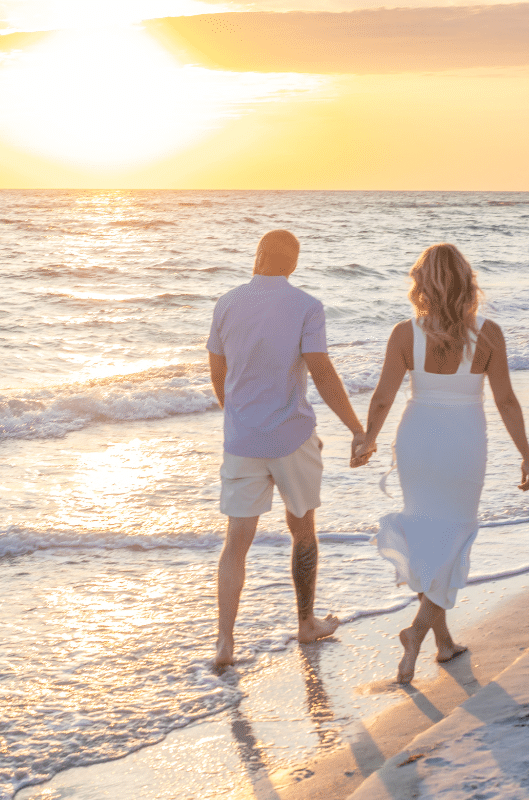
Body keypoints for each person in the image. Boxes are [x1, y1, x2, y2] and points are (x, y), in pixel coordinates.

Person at [352, 243, 529, 684]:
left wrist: (367, 440)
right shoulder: (488, 334)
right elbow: (505, 399)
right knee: (454, 534)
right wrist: (525, 454)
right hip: (463, 440)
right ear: (467, 282)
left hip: (416, 437)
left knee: (427, 531)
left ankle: (443, 641)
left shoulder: (404, 333)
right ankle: (418, 633)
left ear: (422, 283)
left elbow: (383, 397)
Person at [207, 229, 368, 669]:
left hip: (242, 440)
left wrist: (237, 417)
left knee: (235, 543)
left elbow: (217, 370)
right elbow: (320, 370)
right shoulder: (306, 306)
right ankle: (306, 622)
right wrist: (356, 428)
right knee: (302, 530)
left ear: (256, 256)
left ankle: (224, 641)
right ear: (294, 264)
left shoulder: (227, 302)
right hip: (293, 437)